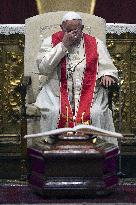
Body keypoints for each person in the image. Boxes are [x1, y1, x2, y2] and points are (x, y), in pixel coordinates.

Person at [35, 11, 118, 145]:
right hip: (56, 94)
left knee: (96, 113)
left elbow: (107, 66)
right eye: (69, 30)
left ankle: (98, 152)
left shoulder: (95, 43)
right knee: (54, 112)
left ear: (82, 28)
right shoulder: (50, 42)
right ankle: (51, 152)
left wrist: (107, 74)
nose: (73, 33)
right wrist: (63, 46)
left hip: (90, 95)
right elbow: (43, 68)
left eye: (76, 30)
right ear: (62, 28)